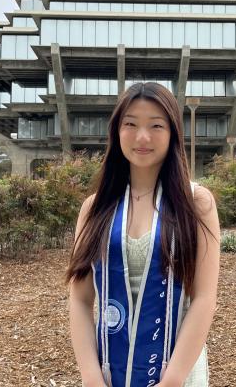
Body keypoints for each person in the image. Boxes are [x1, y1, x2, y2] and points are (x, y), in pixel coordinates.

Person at [66, 82, 220, 387]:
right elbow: (81, 300)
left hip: (177, 372)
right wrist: (91, 377)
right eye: (131, 124)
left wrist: (172, 380)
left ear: (173, 132)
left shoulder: (196, 204)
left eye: (156, 125)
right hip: (109, 372)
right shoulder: (94, 208)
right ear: (116, 131)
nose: (142, 137)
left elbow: (204, 299)